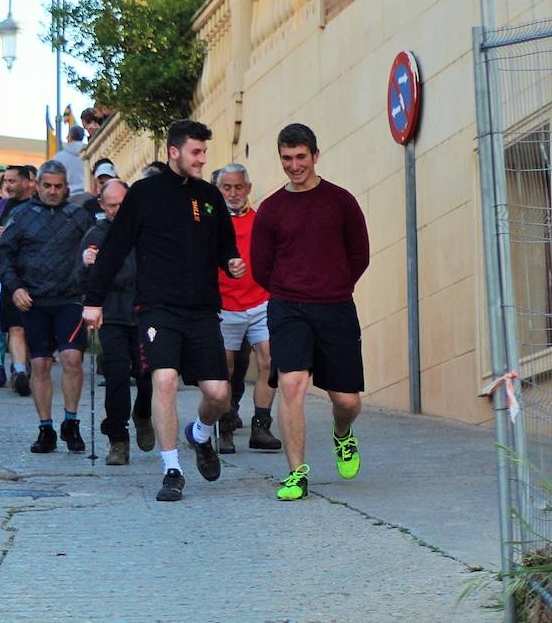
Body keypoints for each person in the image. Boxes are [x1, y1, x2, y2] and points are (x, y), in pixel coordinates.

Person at [83, 120, 245, 502]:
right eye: (196, 152)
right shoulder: (144, 193)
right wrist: (94, 300)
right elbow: (117, 246)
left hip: (203, 310)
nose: (203, 159)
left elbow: (225, 244)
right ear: (174, 152)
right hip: (157, 308)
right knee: (165, 381)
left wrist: (231, 262)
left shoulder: (209, 195)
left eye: (204, 152)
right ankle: (172, 468)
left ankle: (201, 435)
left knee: (219, 394)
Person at [251, 123, 370, 501]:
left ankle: (342, 434)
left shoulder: (341, 201)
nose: (294, 165)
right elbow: (260, 267)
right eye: (287, 158)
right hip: (288, 307)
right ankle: (296, 474)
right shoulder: (271, 209)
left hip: (335, 306)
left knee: (347, 400)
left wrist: (334, 284)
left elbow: (360, 254)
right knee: (291, 384)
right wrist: (291, 289)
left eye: (301, 157)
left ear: (315, 156)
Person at [0, 160, 95, 454]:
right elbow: (5, 255)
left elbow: (96, 249)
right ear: (37, 185)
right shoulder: (21, 215)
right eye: (47, 185)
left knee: (72, 358)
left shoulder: (79, 215)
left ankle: (71, 421)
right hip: (34, 301)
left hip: (70, 299)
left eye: (58, 186)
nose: (53, 191)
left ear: (66, 186)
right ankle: (45, 428)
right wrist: (15, 289)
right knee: (39, 364)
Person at [79, 179, 152, 466]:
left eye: (123, 204)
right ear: (101, 205)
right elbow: (80, 281)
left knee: (148, 376)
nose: (118, 210)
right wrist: (86, 264)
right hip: (112, 315)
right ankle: (117, 439)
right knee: (117, 377)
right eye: (112, 206)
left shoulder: (145, 231)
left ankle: (143, 413)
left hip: (144, 313)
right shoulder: (95, 236)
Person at [214, 163, 282, 455]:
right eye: (227, 188)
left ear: (248, 189)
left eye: (238, 187)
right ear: (218, 190)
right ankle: (225, 426)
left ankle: (261, 426)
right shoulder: (210, 224)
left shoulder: (262, 221)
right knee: (224, 368)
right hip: (223, 306)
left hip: (261, 302)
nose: (233, 193)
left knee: (270, 361)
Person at [0, 165, 35, 393]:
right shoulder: (1, 206)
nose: (8, 185)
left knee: (31, 327)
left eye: (13, 181)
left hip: (36, 275)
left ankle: (28, 366)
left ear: (26, 182)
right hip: (10, 274)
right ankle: (20, 370)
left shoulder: (38, 207)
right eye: (6, 181)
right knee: (15, 327)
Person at [53, 126, 87, 194]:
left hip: (68, 194)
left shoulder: (59, 157)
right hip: (87, 193)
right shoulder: (90, 153)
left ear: (70, 137)